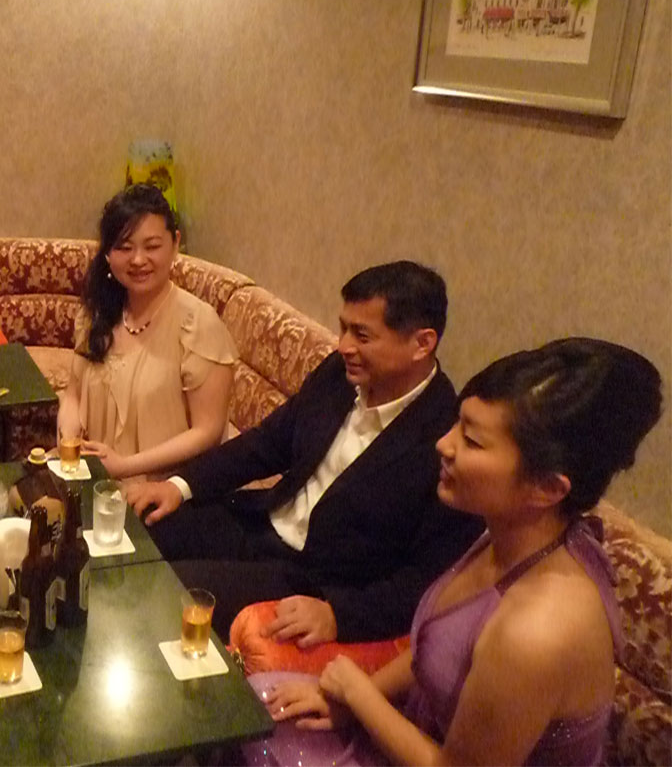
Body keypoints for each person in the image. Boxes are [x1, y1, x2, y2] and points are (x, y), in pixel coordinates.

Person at [258, 338, 663, 766]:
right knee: (261, 703)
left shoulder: (535, 633)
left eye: (471, 440)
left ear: (547, 488)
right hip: (417, 733)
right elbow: (440, 647)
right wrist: (354, 698)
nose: (444, 444)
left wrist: (358, 694)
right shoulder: (513, 534)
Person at [127, 261, 483, 640]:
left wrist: (338, 615)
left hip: (313, 577)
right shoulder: (339, 375)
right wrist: (179, 485)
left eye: (362, 335)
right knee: (136, 527)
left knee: (167, 591)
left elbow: (427, 580)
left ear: (422, 344)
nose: (344, 346)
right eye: (344, 328)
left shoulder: (447, 440)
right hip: (262, 523)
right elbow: (267, 443)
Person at [57, 183, 237, 480]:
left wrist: (125, 466)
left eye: (152, 246)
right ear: (107, 254)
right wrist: (69, 440)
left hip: (167, 491)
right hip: (95, 479)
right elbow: (73, 396)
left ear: (175, 244)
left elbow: (208, 431)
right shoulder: (97, 313)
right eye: (124, 248)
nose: (138, 260)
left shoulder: (198, 324)